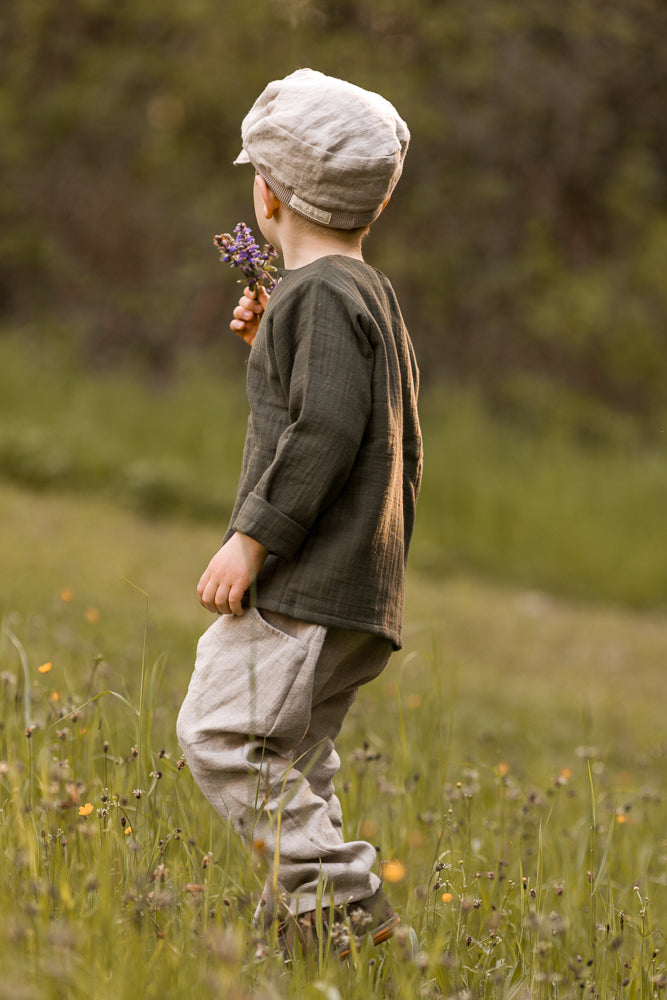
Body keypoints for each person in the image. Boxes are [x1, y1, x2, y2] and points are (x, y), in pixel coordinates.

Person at [176, 68, 422, 959]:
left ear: (268, 192)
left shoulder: (320, 298)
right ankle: (305, 947)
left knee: (222, 734)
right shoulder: (362, 295)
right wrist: (266, 342)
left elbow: (322, 435)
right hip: (360, 588)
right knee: (294, 757)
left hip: (307, 583)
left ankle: (351, 912)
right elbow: (334, 406)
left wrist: (250, 541)